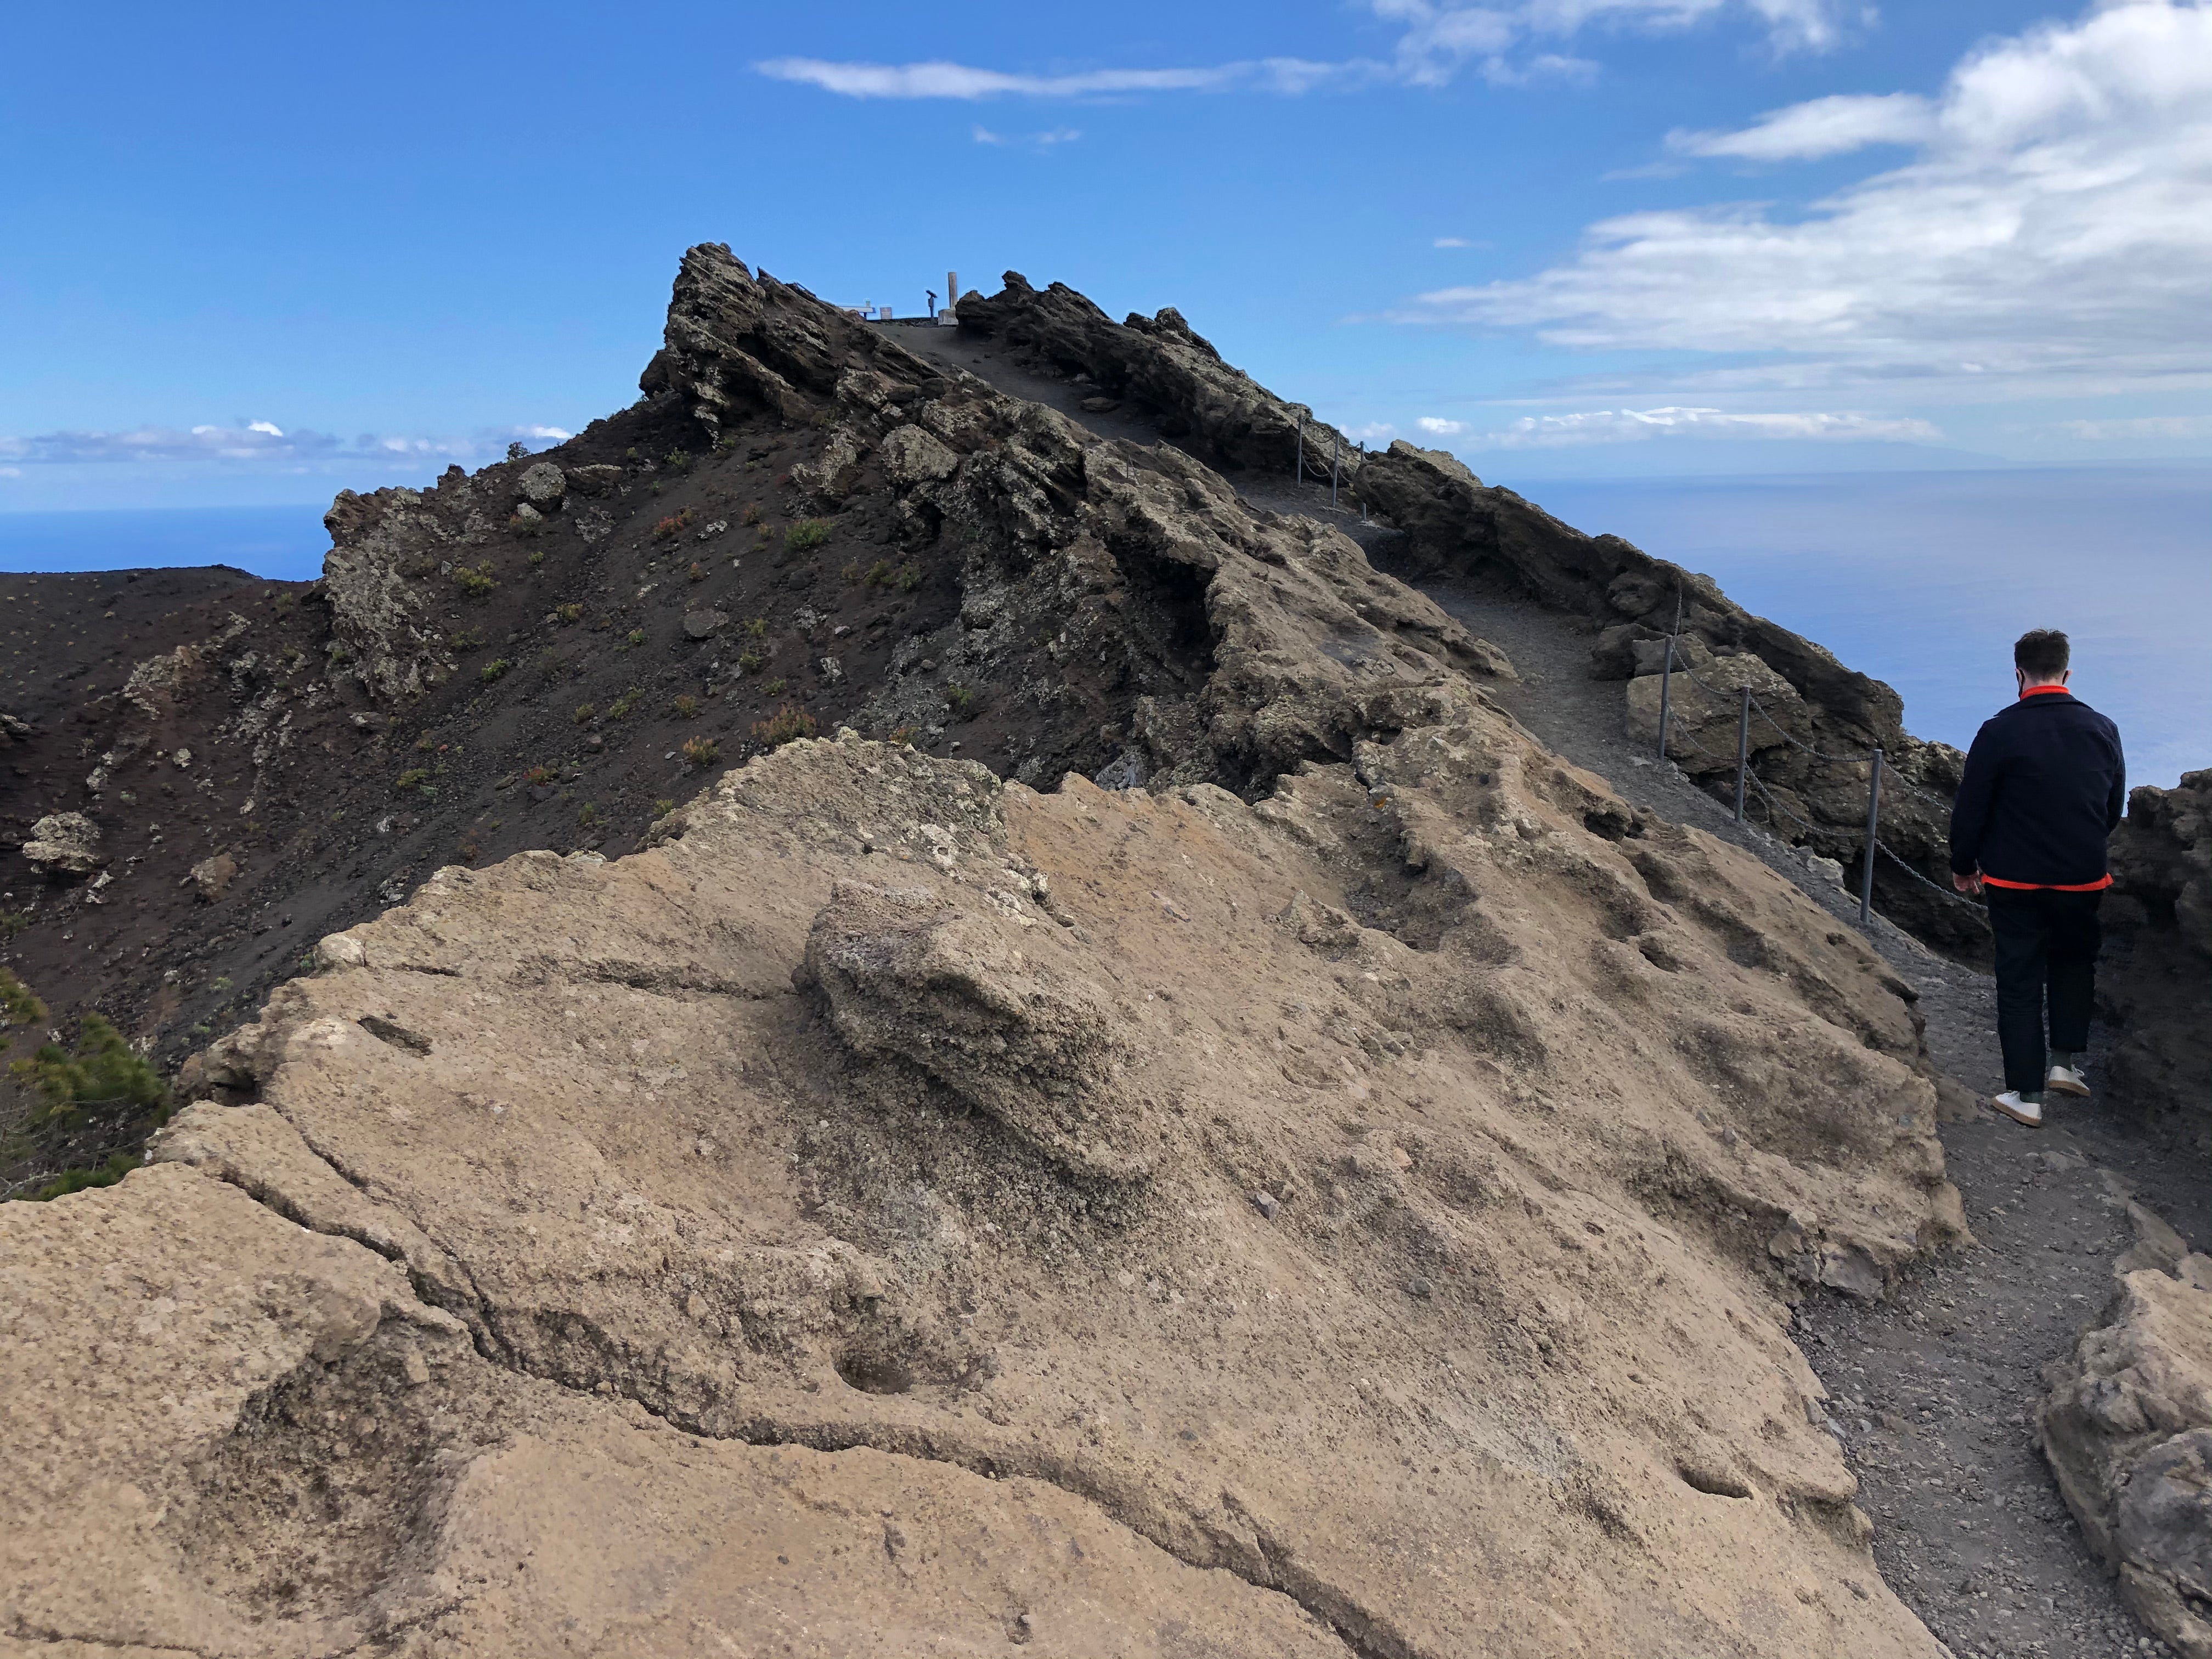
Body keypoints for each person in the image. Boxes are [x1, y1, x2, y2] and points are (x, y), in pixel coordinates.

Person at [1949, 628, 2126, 1128]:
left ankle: (2026, 1095)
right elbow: (2111, 806)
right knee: (2074, 961)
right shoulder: (2103, 728)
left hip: (2015, 880)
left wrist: (1964, 864)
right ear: (2066, 673)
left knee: (2020, 978)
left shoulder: (1998, 731)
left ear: (2019, 674)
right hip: (2083, 876)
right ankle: (2064, 1064)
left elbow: (1972, 808)